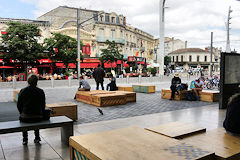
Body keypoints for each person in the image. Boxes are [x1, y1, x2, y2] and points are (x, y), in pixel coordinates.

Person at [17, 74, 46, 145]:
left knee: (23, 118)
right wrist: (41, 113)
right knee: (36, 115)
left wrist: (22, 112)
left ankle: (25, 139)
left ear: (28, 82)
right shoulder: (40, 91)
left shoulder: (23, 91)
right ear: (37, 82)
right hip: (38, 117)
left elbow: (19, 105)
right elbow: (43, 105)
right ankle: (37, 137)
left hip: (25, 117)